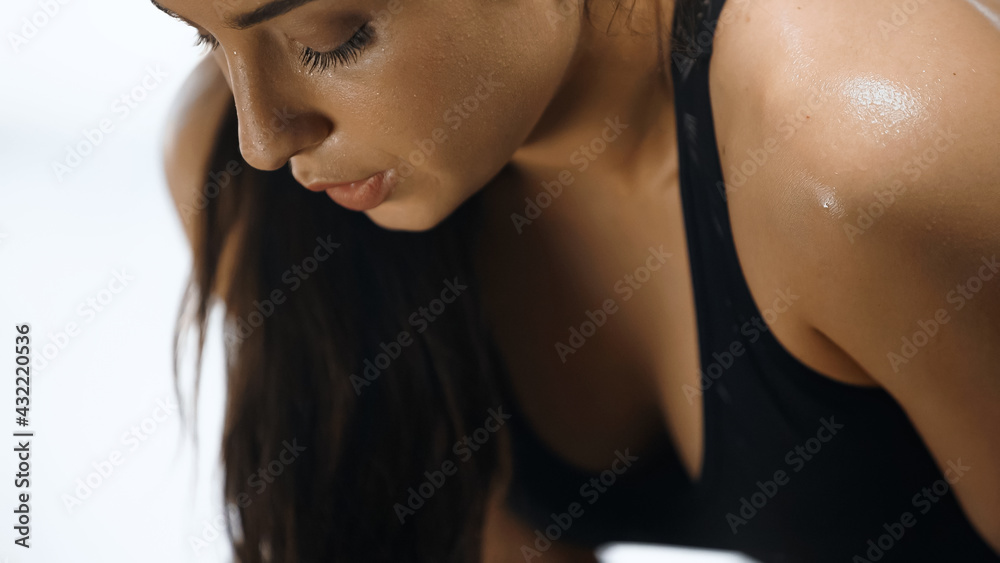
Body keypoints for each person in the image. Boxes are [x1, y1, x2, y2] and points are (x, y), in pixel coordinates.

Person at [156, 0, 1000, 560]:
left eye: (330, 37)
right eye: (204, 36)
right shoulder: (250, 192)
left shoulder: (866, 155)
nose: (262, 138)